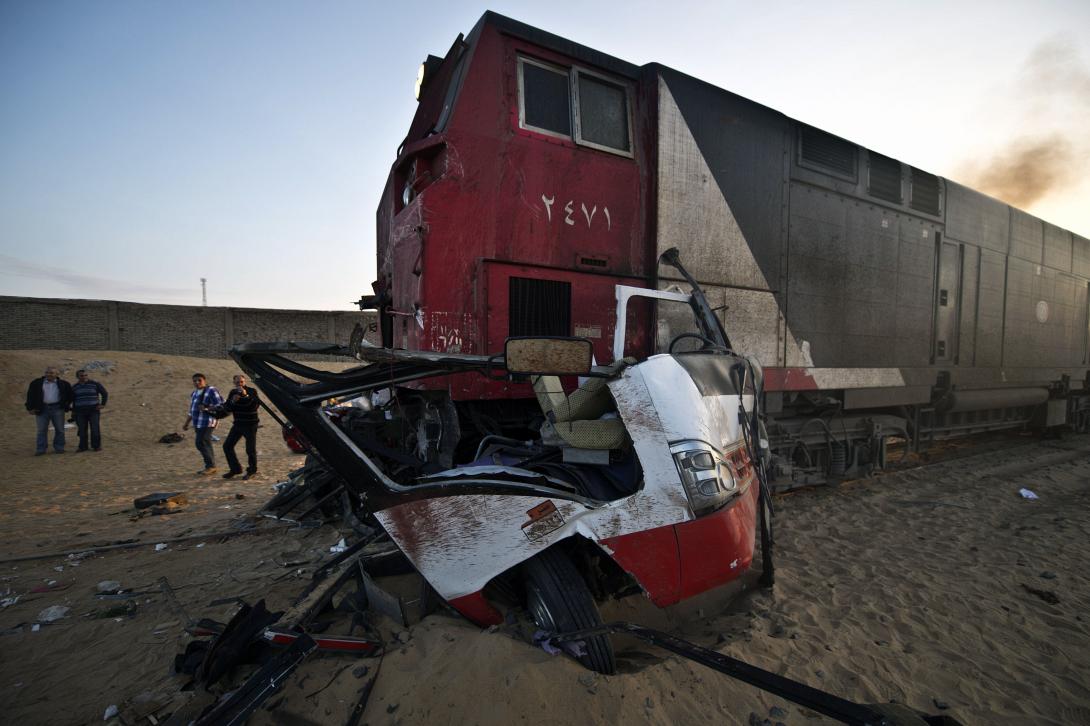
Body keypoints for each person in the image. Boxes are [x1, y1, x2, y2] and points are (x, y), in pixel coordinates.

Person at [214, 374, 261, 480]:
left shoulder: (251, 391)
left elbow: (254, 406)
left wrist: (245, 396)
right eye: (237, 382)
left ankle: (252, 470)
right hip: (238, 424)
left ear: (245, 382)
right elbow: (228, 408)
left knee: (250, 449)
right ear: (234, 383)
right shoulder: (233, 392)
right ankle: (235, 469)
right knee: (227, 446)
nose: (239, 384)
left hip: (250, 424)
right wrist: (232, 401)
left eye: (241, 382)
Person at [25, 366, 73, 455]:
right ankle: (41, 449)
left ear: (57, 374)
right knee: (41, 430)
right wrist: (30, 408)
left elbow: (70, 395)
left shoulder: (64, 384)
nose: (48, 374)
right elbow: (30, 395)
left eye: (51, 373)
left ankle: (59, 447)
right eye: (47, 372)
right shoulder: (36, 383)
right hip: (42, 408)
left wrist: (66, 405)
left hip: (57, 408)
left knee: (60, 429)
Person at [182, 373, 223, 475]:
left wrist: (207, 408)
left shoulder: (211, 390)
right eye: (195, 381)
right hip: (197, 422)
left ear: (204, 380)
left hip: (208, 421)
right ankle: (212, 466)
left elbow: (221, 405)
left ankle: (210, 466)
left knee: (200, 443)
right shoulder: (194, 393)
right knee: (206, 443)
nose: (197, 382)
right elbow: (192, 410)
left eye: (199, 380)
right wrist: (186, 423)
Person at [72, 369, 108, 452]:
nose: (84, 377)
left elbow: (104, 393)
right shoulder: (74, 387)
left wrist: (102, 404)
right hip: (80, 411)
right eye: (81, 375)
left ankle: (96, 446)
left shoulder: (95, 384)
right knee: (82, 430)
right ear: (77, 377)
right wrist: (73, 411)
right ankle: (82, 447)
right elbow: (73, 399)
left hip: (93, 410)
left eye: (85, 375)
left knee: (95, 429)